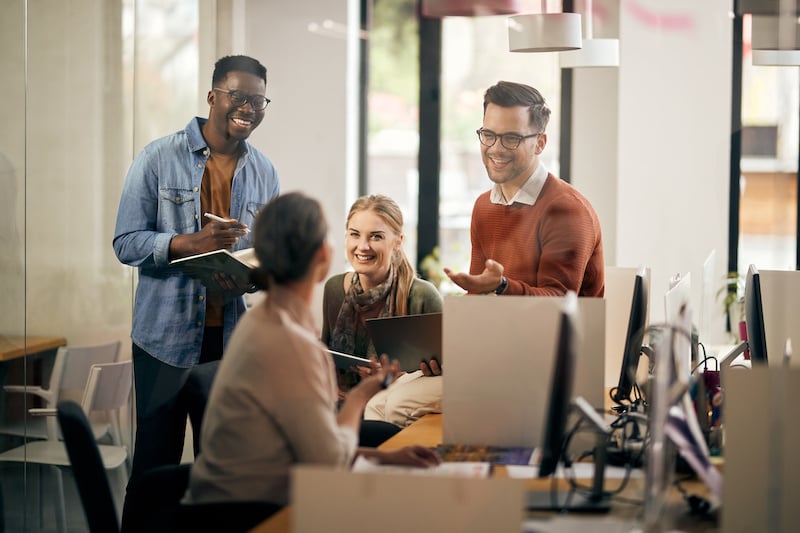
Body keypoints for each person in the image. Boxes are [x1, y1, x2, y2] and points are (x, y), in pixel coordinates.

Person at [184, 192, 440, 522]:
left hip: (229, 500)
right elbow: (329, 462)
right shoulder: (293, 343)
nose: (361, 246)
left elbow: (310, 446)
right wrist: (360, 396)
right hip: (248, 515)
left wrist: (388, 458)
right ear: (323, 253)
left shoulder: (262, 322)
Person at [112, 54, 280, 503]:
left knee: (219, 477)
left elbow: (266, 260)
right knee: (153, 473)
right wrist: (192, 243)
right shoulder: (156, 158)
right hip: (162, 343)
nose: (248, 108)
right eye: (238, 96)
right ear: (212, 97)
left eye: (258, 101)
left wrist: (253, 278)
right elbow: (125, 242)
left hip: (228, 344)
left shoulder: (266, 172)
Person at [444, 80, 604, 297]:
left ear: (540, 143)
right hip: (500, 329)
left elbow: (557, 304)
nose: (496, 148)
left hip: (555, 331)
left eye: (511, 138)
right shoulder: (483, 206)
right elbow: (478, 295)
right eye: (489, 135)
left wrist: (501, 286)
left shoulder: (567, 210)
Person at [321, 195, 443, 429]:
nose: (363, 247)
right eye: (355, 234)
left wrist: (398, 379)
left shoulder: (421, 296)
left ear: (397, 241)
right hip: (340, 406)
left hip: (392, 416)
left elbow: (448, 373)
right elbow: (325, 354)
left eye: (376, 236)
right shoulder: (335, 289)